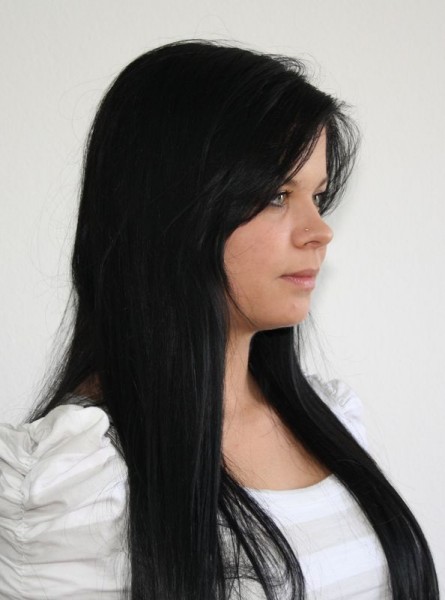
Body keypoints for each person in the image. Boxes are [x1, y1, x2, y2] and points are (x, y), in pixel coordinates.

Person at [0, 39, 439, 600]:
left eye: (318, 196)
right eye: (277, 194)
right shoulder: (77, 483)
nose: (319, 231)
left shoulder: (331, 422)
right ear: (172, 209)